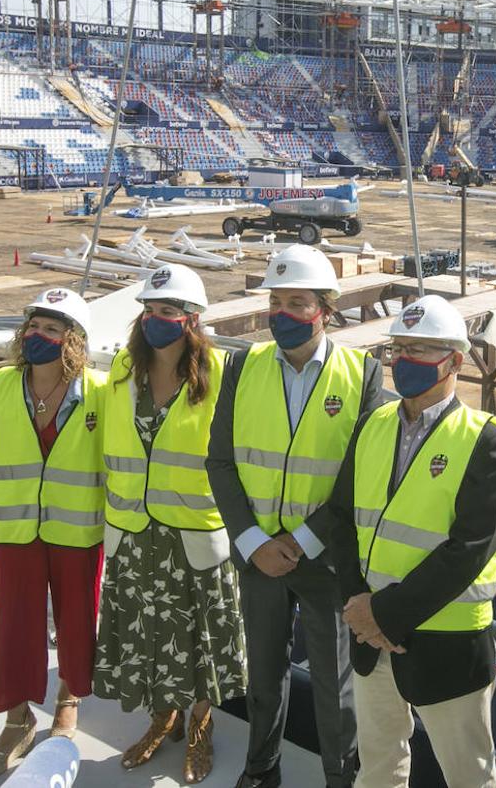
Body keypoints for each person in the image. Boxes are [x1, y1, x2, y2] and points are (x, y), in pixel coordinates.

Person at [304, 293, 496, 788]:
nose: (404, 361)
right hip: (369, 637)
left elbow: (470, 549)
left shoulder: (487, 442)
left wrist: (383, 614)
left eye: (420, 351)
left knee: (468, 773)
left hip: (446, 642)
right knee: (378, 763)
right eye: (399, 348)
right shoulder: (372, 425)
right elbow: (341, 520)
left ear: (455, 361)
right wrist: (358, 604)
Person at [206, 245, 383, 788]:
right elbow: (221, 461)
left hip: (325, 560)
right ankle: (261, 769)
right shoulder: (244, 365)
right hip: (258, 554)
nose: (282, 313)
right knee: (263, 672)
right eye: (275, 301)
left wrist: (303, 540)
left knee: (336, 684)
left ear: (325, 309)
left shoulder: (362, 375)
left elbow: (361, 478)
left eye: (297, 302)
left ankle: (339, 777)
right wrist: (253, 539)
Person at [94, 264, 246, 784]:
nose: (156, 319)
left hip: (192, 535)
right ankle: (162, 720)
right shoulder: (120, 371)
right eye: (150, 310)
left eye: (168, 311)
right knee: (149, 639)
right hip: (134, 533)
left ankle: (200, 728)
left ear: (192, 319)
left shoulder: (224, 374)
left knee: (197, 641)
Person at [0, 288, 107, 779]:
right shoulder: (1, 385)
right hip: (15, 527)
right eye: (33, 325)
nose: (38, 335)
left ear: (72, 340)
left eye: (51, 329)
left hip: (77, 527)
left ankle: (68, 698)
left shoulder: (99, 391)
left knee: (78, 617)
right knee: (13, 623)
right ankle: (15, 720)